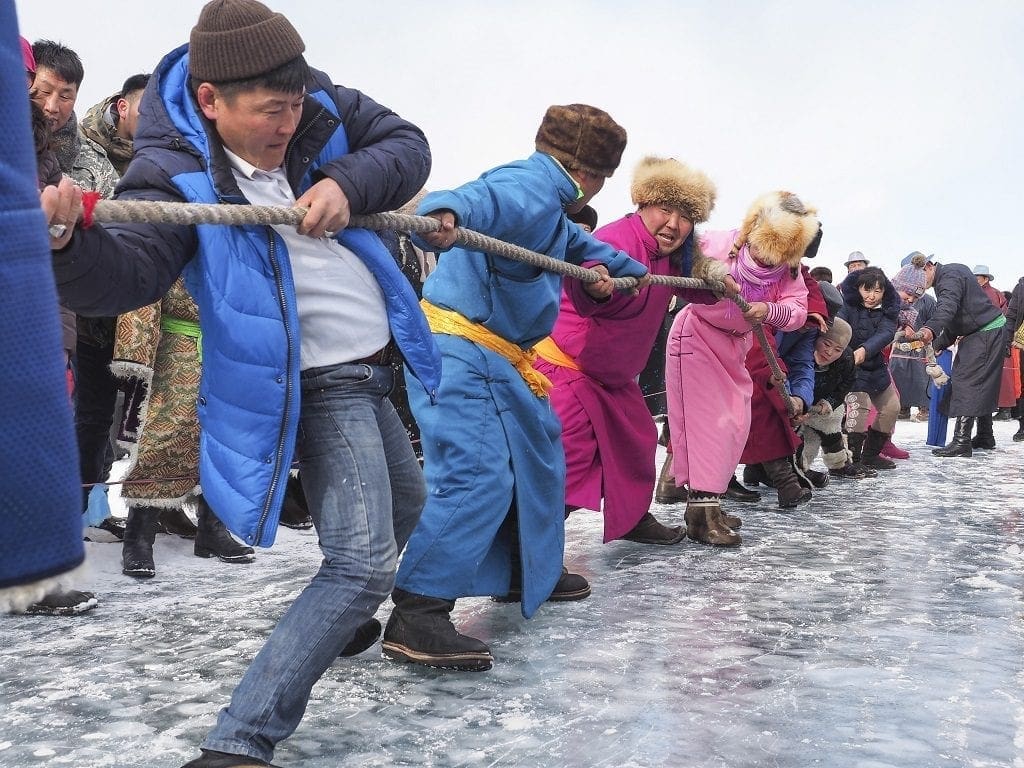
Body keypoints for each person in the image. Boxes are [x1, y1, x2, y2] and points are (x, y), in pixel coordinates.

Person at [44, 1, 437, 765]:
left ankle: (338, 619)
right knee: (360, 565)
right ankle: (240, 741)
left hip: (372, 367)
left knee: (410, 503)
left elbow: (407, 145)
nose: (287, 123)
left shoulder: (320, 107)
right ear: (210, 101)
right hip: (314, 381)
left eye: (294, 104)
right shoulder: (172, 177)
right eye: (269, 111)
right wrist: (64, 239)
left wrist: (351, 184)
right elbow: (125, 271)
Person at [381, 103, 650, 672]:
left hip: (501, 357)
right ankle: (418, 609)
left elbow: (584, 251)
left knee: (538, 459)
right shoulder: (532, 185)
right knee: (476, 473)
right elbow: (482, 197)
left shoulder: (552, 213)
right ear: (591, 175)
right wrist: (445, 211)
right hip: (461, 348)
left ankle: (527, 570)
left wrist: (625, 273)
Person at [535, 155, 719, 545]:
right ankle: (527, 558)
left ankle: (632, 518)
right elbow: (588, 276)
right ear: (643, 205)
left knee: (638, 441)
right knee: (569, 461)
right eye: (664, 209)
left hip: (614, 377)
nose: (674, 224)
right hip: (569, 368)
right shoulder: (617, 239)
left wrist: (719, 280)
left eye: (685, 215)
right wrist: (594, 286)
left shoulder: (673, 255)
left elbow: (690, 284)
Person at [665, 191, 818, 545]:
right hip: (697, 338)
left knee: (735, 423)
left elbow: (797, 311)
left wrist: (768, 311)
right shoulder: (719, 243)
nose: (767, 260)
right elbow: (680, 255)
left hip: (736, 345)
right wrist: (707, 274)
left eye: (776, 255)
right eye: (763, 250)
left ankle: (710, 503)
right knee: (708, 425)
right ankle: (700, 513)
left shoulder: (788, 272)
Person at [0, 18, 86, 615]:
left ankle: (34, 573)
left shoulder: (45, 152)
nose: (44, 100)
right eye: (33, 85)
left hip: (34, 297)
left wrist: (67, 211)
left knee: (43, 409)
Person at [31, 39, 124, 546]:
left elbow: (117, 222)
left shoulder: (89, 159)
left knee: (83, 419)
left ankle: (79, 517)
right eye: (43, 91)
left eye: (65, 95)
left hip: (75, 308)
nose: (53, 106)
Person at [897, 257, 1006, 458]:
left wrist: (930, 329)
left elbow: (947, 309)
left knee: (967, 382)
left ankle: (962, 441)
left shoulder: (950, 276)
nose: (921, 287)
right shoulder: (948, 277)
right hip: (982, 332)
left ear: (928, 267)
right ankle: (985, 435)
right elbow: (955, 319)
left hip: (985, 332)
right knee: (981, 384)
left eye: (920, 282)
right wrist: (939, 344)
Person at [797, 316, 877, 481]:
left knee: (832, 432)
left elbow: (847, 384)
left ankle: (839, 464)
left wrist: (831, 402)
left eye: (838, 349)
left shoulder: (847, 359)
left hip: (825, 406)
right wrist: (797, 402)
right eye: (826, 344)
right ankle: (797, 469)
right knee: (797, 439)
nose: (830, 352)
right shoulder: (799, 351)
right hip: (797, 404)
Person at [837, 265, 900, 471]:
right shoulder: (846, 305)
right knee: (859, 407)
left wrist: (865, 350)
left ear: (884, 292)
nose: (871, 296)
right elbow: (839, 329)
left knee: (892, 408)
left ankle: (870, 456)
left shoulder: (889, 311)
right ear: (858, 289)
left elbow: (886, 333)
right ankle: (852, 460)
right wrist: (848, 353)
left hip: (875, 366)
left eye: (877, 291)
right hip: (850, 367)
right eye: (867, 290)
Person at [890, 251, 936, 422]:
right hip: (899, 347)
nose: (911, 300)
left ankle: (925, 407)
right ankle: (902, 408)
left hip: (919, 348)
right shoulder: (892, 299)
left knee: (921, 379)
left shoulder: (928, 301)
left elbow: (935, 322)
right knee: (899, 378)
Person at [972, 264, 1017, 438]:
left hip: (986, 343)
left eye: (977, 276)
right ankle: (985, 433)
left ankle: (985, 433)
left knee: (984, 384)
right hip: (994, 341)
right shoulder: (994, 293)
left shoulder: (987, 294)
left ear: (984, 278)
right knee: (988, 384)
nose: (975, 280)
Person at [1006, 274, 1024, 442]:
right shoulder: (1022, 285)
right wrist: (1006, 340)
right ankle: (1023, 425)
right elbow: (1011, 315)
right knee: (1022, 384)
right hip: (1022, 343)